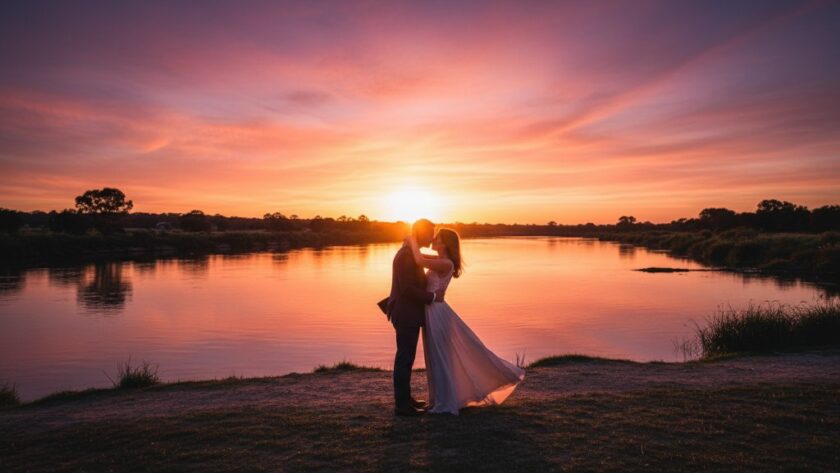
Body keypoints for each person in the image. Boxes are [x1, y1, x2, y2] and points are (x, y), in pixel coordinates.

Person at [406, 227, 525, 415]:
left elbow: (419, 260)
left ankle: (445, 404)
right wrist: (412, 246)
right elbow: (420, 258)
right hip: (432, 311)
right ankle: (438, 400)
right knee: (435, 358)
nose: (433, 241)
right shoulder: (440, 261)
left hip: (437, 313)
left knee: (440, 358)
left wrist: (412, 238)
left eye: (437, 239)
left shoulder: (445, 263)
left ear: (445, 244)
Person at [384, 218, 446, 417]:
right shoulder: (405, 256)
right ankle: (402, 406)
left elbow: (427, 259)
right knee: (404, 359)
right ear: (420, 233)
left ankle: (406, 399)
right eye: (430, 232)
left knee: (406, 358)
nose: (433, 237)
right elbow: (408, 289)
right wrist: (433, 297)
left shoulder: (411, 252)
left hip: (410, 313)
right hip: (405, 313)